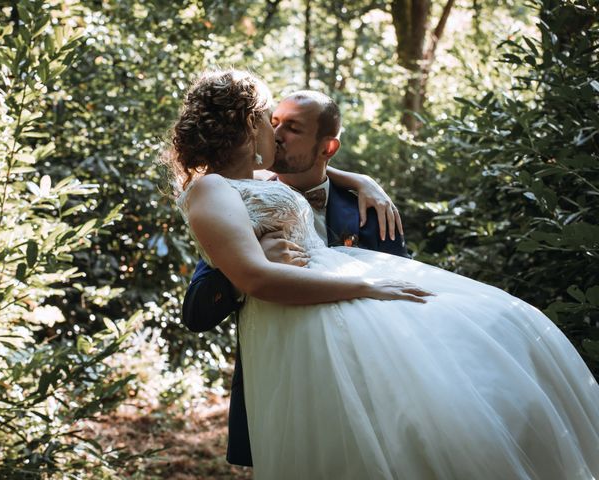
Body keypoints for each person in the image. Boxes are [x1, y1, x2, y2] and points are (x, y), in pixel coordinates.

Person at [165, 69, 599, 479]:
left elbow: (285, 179)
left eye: (286, 125)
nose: (274, 131)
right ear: (247, 123)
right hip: (299, 319)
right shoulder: (210, 187)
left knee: (473, 363)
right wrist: (366, 287)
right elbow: (252, 277)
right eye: (267, 119)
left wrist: (361, 179)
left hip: (334, 309)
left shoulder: (269, 179)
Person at [181, 87, 410, 467]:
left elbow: (398, 296)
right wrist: (241, 276)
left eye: (293, 128)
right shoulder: (240, 200)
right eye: (274, 124)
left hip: (364, 379)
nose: (278, 134)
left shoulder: (371, 208)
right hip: (281, 381)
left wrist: (360, 180)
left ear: (327, 148)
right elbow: (196, 312)